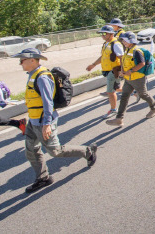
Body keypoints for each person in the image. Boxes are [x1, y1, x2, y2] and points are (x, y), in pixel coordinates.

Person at [11, 48, 97, 193]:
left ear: (33, 60)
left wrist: (46, 124)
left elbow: (47, 102)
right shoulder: (33, 75)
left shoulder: (42, 77)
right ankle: (43, 178)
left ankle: (87, 151)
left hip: (43, 121)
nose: (20, 63)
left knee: (56, 152)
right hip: (33, 121)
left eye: (22, 60)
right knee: (31, 150)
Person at [106, 32, 155, 127]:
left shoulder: (136, 51)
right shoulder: (127, 49)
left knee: (143, 94)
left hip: (138, 78)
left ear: (131, 41)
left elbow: (142, 64)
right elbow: (124, 62)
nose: (123, 42)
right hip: (128, 79)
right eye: (122, 40)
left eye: (125, 40)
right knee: (124, 96)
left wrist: (130, 71)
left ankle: (154, 108)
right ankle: (119, 119)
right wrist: (122, 72)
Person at [86, 25, 124, 118]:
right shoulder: (106, 44)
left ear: (111, 34)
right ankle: (135, 91)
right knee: (116, 89)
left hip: (114, 71)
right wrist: (93, 64)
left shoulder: (115, 44)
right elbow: (103, 57)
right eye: (101, 33)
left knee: (110, 92)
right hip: (108, 71)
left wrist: (122, 70)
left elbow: (122, 57)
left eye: (104, 33)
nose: (102, 35)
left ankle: (114, 110)